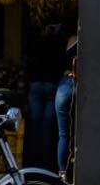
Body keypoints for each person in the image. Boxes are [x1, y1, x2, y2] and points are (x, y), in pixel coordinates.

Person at [24, 22, 68, 168]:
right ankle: (47, 161)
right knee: (48, 126)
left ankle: (33, 161)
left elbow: (28, 63)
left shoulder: (34, 42)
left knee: (35, 124)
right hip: (51, 86)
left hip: (35, 85)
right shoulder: (58, 44)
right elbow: (61, 63)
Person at [55, 33, 78, 180]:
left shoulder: (70, 40)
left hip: (64, 84)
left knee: (63, 135)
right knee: (78, 134)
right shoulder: (93, 39)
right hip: (78, 84)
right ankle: (73, 171)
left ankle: (62, 171)